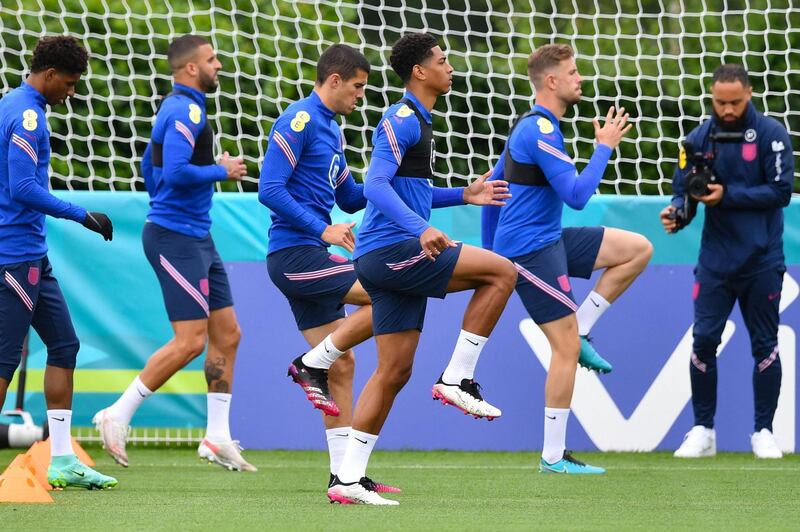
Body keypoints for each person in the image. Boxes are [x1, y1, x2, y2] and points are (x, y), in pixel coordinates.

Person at [327, 33, 518, 506]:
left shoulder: (420, 122)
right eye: (442, 60)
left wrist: (463, 195)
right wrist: (420, 229)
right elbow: (374, 185)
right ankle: (457, 378)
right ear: (419, 71)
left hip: (390, 254)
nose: (450, 67)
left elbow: (408, 191)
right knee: (502, 272)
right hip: (390, 252)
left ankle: (347, 480)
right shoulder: (402, 117)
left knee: (392, 372)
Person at [482, 44, 651, 474]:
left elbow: (492, 191)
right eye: (573, 73)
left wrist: (489, 249)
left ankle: (585, 331)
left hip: (548, 239)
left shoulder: (537, 127)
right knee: (563, 348)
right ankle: (553, 457)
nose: (580, 79)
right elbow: (576, 196)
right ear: (551, 81)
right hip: (530, 252)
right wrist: (604, 147)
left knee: (637, 249)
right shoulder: (537, 130)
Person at [93, 35, 255, 471]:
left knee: (229, 335)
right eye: (211, 59)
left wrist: (199, 176)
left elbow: (152, 166)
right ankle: (116, 414)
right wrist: (221, 171)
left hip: (197, 237)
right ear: (190, 69)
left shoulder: (178, 106)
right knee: (190, 342)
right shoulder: (187, 108)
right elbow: (177, 172)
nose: (219, 65)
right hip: (175, 239)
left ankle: (216, 437)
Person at [258, 43, 398, 493]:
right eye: (357, 87)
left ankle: (344, 478)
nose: (361, 96)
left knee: (343, 366)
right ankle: (307, 365)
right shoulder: (298, 119)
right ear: (334, 81)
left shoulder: (333, 131)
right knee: (391, 296)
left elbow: (352, 198)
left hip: (312, 257)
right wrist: (323, 230)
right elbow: (270, 189)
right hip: (296, 257)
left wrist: (394, 172)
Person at [0, 35, 117, 489]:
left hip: (32, 254)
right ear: (49, 75)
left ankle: (63, 458)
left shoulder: (15, 104)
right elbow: (22, 188)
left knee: (64, 346)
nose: (71, 92)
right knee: (4, 362)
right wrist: (81, 214)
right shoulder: (27, 116)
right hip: (15, 256)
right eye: (68, 84)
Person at [661, 64, 793, 459]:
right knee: (703, 341)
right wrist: (676, 215)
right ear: (712, 98)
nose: (728, 109)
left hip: (762, 259)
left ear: (749, 93)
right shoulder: (697, 139)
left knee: (765, 346)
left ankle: (763, 432)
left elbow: (781, 191)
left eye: (735, 101)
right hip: (716, 261)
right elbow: (683, 192)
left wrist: (727, 195)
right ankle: (703, 430)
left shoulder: (772, 135)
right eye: (721, 102)